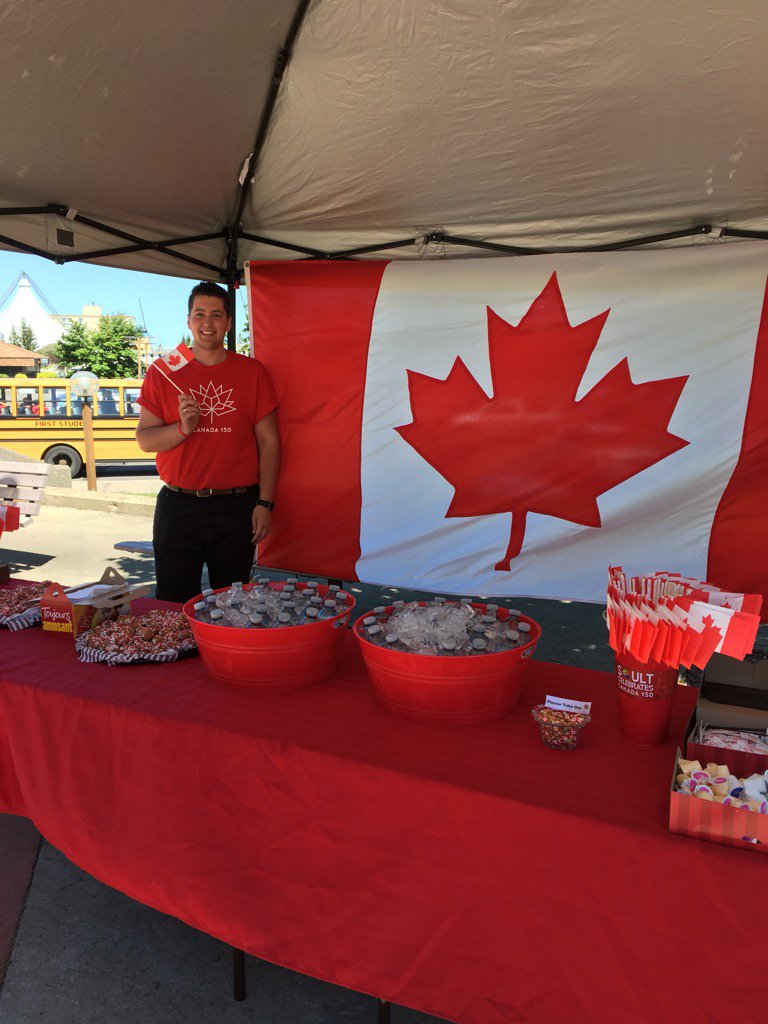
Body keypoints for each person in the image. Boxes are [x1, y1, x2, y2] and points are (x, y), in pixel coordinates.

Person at [136, 281, 280, 603]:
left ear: (228, 322)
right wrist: (182, 429)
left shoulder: (252, 372)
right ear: (188, 320)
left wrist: (265, 503)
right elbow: (145, 440)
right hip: (178, 505)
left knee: (233, 606)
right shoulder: (163, 371)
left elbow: (270, 442)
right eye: (199, 314)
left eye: (216, 315)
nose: (207, 323)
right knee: (172, 604)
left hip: (236, 507)